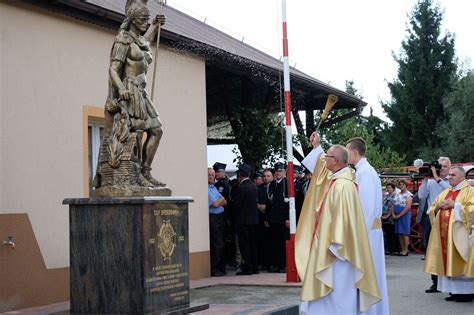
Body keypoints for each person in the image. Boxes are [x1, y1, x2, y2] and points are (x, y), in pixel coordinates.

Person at [297, 143, 380, 314]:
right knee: (338, 290)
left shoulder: (342, 186)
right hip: (335, 245)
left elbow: (342, 220)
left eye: (326, 156)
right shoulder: (342, 179)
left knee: (338, 290)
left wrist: (334, 246)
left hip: (338, 251)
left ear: (334, 161)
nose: (324, 159)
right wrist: (317, 147)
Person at [97, 1, 165, 187]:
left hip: (140, 92)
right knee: (137, 132)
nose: (145, 22)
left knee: (157, 131)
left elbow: (145, 43)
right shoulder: (122, 40)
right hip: (129, 90)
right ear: (133, 20)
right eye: (143, 19)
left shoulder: (139, 40)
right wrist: (121, 89)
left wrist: (155, 26)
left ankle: (146, 171)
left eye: (147, 20)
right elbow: (113, 69)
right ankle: (136, 176)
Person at [345, 137, 390, 314]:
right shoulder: (362, 171)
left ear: (354, 152)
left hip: (367, 232)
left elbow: (365, 207)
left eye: (347, 151)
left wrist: (356, 234)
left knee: (369, 273)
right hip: (370, 230)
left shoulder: (365, 173)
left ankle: (370, 310)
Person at [424, 166, 474, 302]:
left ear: (462, 177)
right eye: (449, 175)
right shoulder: (445, 191)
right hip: (444, 235)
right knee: (448, 261)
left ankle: (466, 293)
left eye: (453, 175)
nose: (449, 177)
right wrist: (438, 207)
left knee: (460, 260)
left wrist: (455, 205)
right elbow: (432, 208)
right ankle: (454, 291)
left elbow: (472, 210)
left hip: (460, 236)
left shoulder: (470, 191)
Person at [417, 157, 451, 293]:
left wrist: (437, 178)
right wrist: (425, 179)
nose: (441, 168)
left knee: (447, 249)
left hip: (448, 218)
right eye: (439, 166)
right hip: (431, 218)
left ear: (449, 167)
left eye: (444, 166)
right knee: (431, 249)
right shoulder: (431, 181)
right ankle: (435, 282)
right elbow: (421, 195)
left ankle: (449, 282)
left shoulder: (451, 180)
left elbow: (449, 191)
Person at [231, 164, 259, 275]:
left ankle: (248, 267)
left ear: (240, 175)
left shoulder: (241, 188)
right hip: (253, 219)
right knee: (253, 243)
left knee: (244, 244)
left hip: (243, 220)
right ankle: (255, 266)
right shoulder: (253, 186)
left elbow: (236, 204)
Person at [267, 162, 289, 273]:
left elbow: (290, 203)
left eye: (280, 171)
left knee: (283, 242)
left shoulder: (288, 184)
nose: (278, 173)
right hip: (274, 218)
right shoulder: (272, 184)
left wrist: (288, 218)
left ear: (285, 171)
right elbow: (269, 202)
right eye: (276, 171)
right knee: (274, 242)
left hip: (283, 218)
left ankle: (283, 265)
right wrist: (267, 217)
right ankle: (277, 264)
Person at [212, 162, 235, 270]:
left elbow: (225, 202)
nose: (217, 174)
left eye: (219, 172)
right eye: (216, 172)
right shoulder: (214, 185)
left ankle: (223, 265)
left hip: (224, 216)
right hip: (219, 215)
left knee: (223, 242)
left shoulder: (224, 185)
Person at [207, 167, 227, 277]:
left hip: (220, 217)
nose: (211, 177)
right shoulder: (205, 188)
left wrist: (219, 201)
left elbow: (225, 201)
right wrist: (220, 200)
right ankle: (213, 269)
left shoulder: (213, 187)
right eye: (209, 175)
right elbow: (214, 204)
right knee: (217, 244)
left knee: (221, 243)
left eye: (212, 175)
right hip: (212, 218)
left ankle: (218, 267)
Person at [256, 169, 273, 271]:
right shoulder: (259, 188)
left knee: (271, 242)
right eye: (264, 176)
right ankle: (263, 262)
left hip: (270, 217)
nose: (266, 178)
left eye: (268, 176)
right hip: (260, 218)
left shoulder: (274, 187)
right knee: (262, 242)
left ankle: (270, 262)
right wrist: (258, 206)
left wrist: (266, 208)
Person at [391, 179, 413, 256]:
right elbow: (393, 204)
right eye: (400, 184)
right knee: (399, 232)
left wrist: (399, 215)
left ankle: (406, 250)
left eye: (403, 184)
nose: (401, 186)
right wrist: (393, 213)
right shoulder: (397, 194)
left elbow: (408, 207)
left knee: (404, 233)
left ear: (406, 185)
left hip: (404, 215)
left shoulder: (409, 195)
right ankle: (402, 249)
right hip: (397, 214)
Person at [382, 182, 398, 255]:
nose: (388, 189)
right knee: (386, 234)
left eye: (389, 187)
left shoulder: (395, 196)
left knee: (392, 234)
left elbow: (392, 207)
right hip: (384, 216)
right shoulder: (385, 196)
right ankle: (387, 249)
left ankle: (393, 249)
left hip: (390, 217)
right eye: (387, 187)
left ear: (393, 189)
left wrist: (388, 216)